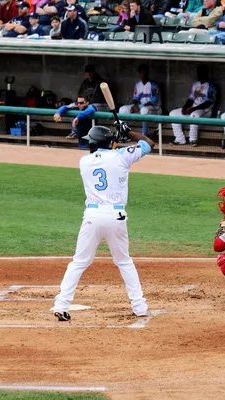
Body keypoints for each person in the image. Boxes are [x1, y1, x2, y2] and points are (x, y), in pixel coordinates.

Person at [52, 123, 156, 321]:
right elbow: (148, 144)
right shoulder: (122, 156)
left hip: (92, 217)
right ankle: (139, 306)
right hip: (116, 217)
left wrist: (117, 141)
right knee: (124, 262)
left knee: (79, 262)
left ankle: (61, 304)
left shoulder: (84, 161)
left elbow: (106, 155)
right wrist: (128, 133)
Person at [169, 65, 216, 147]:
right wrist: (184, 107)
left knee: (194, 115)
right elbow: (191, 99)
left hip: (205, 111)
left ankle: (193, 139)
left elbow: (209, 102)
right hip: (193, 109)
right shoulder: (196, 84)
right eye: (198, 72)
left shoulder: (211, 86)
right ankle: (179, 139)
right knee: (173, 113)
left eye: (201, 72)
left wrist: (194, 109)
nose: (199, 74)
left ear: (206, 73)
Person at [118, 64, 161, 136]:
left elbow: (154, 101)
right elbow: (135, 98)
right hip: (141, 108)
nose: (142, 74)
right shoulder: (138, 84)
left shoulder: (153, 84)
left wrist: (139, 107)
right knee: (122, 109)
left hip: (155, 108)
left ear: (147, 73)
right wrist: (133, 106)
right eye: (141, 72)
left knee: (144, 110)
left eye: (144, 72)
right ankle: (123, 133)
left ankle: (144, 135)